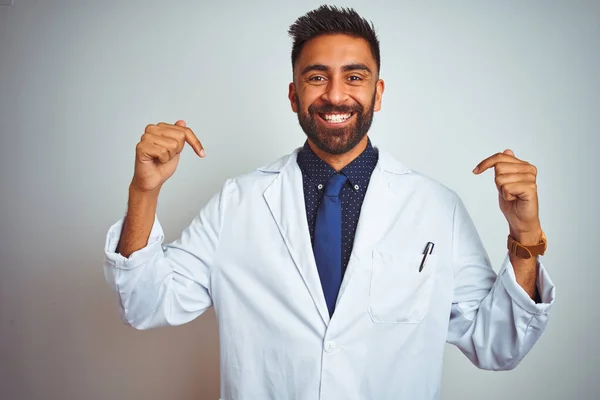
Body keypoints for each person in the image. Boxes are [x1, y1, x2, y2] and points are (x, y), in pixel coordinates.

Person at [103, 5, 555, 399]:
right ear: (293, 94)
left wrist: (525, 235)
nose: (336, 95)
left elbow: (498, 344)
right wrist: (144, 191)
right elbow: (145, 303)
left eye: (354, 77)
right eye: (317, 77)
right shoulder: (237, 202)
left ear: (377, 93)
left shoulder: (437, 207)